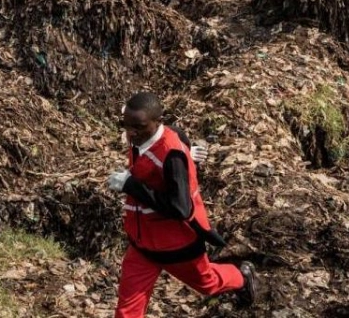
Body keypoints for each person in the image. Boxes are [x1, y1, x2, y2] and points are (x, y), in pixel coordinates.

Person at [109, 92, 257, 317]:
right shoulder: (144, 137)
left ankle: (242, 277)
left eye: (137, 126)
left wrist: (132, 185)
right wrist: (189, 151)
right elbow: (177, 134)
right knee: (126, 312)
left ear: (157, 122)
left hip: (176, 246)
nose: (130, 133)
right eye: (126, 125)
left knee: (207, 283)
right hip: (142, 245)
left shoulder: (171, 155)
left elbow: (181, 208)